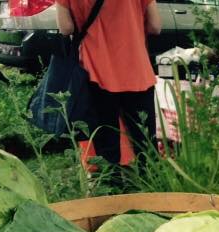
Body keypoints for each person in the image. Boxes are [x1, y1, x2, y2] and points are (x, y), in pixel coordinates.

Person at [56, 0, 161, 165]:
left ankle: (113, 186)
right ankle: (151, 186)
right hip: (136, 69)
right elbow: (155, 26)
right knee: (145, 142)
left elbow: (66, 28)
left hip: (95, 72)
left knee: (106, 143)